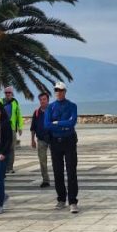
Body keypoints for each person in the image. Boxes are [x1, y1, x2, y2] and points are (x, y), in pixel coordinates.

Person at [46, 81, 79, 213]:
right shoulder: (50, 107)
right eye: (56, 90)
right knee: (57, 172)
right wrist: (63, 125)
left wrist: (57, 122)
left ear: (65, 91)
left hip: (69, 141)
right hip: (55, 142)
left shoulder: (72, 106)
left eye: (60, 90)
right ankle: (61, 199)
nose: (58, 93)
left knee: (71, 171)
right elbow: (47, 124)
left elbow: (72, 122)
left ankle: (72, 201)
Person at [30, 91, 52, 188]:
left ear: (48, 100)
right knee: (42, 160)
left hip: (52, 139)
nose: (42, 101)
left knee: (56, 160)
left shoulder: (53, 110)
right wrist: (32, 140)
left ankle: (58, 178)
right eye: (41, 100)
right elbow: (33, 127)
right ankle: (45, 180)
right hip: (41, 140)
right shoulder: (36, 112)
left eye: (44, 99)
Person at [2, 87, 23, 173]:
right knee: (3, 147)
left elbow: (19, 115)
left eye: (9, 92)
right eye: (6, 92)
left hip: (12, 128)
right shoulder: (0, 101)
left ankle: (10, 167)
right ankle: (3, 166)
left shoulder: (15, 103)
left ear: (12, 93)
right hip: (2, 128)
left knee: (11, 148)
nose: (8, 94)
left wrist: (20, 127)